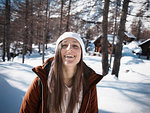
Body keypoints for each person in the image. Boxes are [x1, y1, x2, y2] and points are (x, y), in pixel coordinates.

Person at [19, 32, 104, 113]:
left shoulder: (89, 84)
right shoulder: (41, 81)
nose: (69, 48)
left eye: (75, 46)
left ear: (81, 53)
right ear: (57, 52)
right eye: (64, 45)